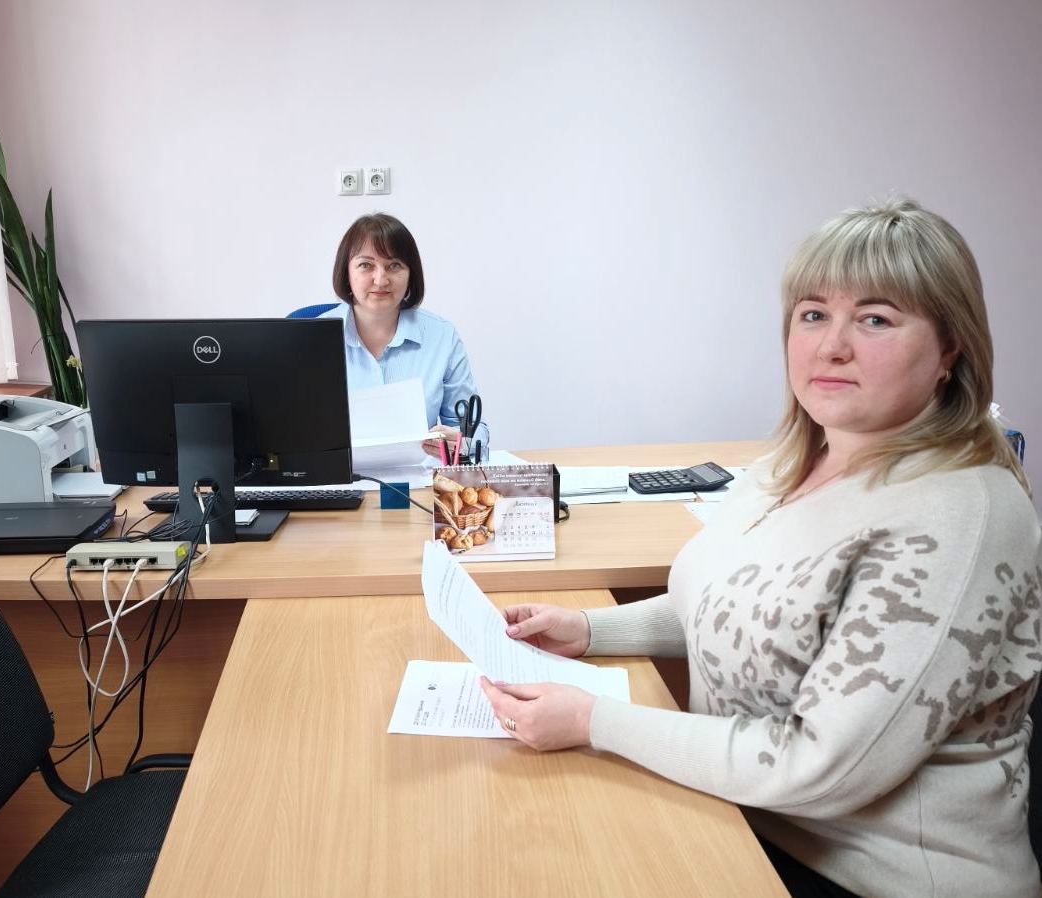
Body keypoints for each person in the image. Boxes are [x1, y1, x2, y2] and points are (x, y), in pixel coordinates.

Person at [479, 198, 1041, 898]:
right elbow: (732, 603)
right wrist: (591, 630)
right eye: (813, 314)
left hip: (870, 873)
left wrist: (593, 721)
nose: (832, 346)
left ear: (950, 350)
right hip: (744, 818)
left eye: (875, 319)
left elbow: (820, 767)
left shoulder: (959, 515)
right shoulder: (794, 461)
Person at [321, 213, 489, 459]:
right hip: (337, 478)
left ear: (411, 275)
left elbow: (475, 430)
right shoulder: (312, 339)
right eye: (366, 265)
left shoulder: (442, 336)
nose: (381, 279)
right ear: (346, 272)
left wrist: (462, 444)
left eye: (394, 265)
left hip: (420, 479)